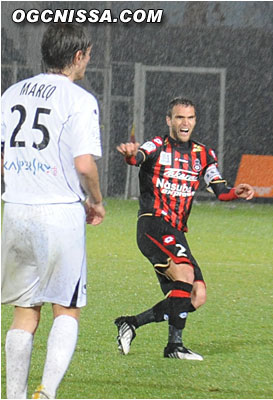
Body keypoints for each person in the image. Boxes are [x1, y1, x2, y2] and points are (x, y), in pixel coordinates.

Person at [1, 23, 105, 399]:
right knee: (67, 307)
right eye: (88, 56)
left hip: (15, 210)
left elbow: (2, 158)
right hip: (58, 213)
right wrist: (95, 199)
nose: (88, 62)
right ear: (77, 56)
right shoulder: (79, 99)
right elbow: (84, 165)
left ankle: (13, 396)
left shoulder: (11, 93)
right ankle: (46, 392)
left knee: (25, 311)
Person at [114, 97, 255, 361]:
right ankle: (174, 347)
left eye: (190, 118)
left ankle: (134, 325)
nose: (185, 123)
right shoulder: (157, 145)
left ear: (195, 121)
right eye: (179, 117)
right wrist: (132, 155)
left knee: (196, 295)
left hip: (176, 232)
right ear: (169, 120)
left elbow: (220, 190)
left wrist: (235, 191)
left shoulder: (203, 154)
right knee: (186, 272)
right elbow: (138, 158)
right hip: (153, 224)